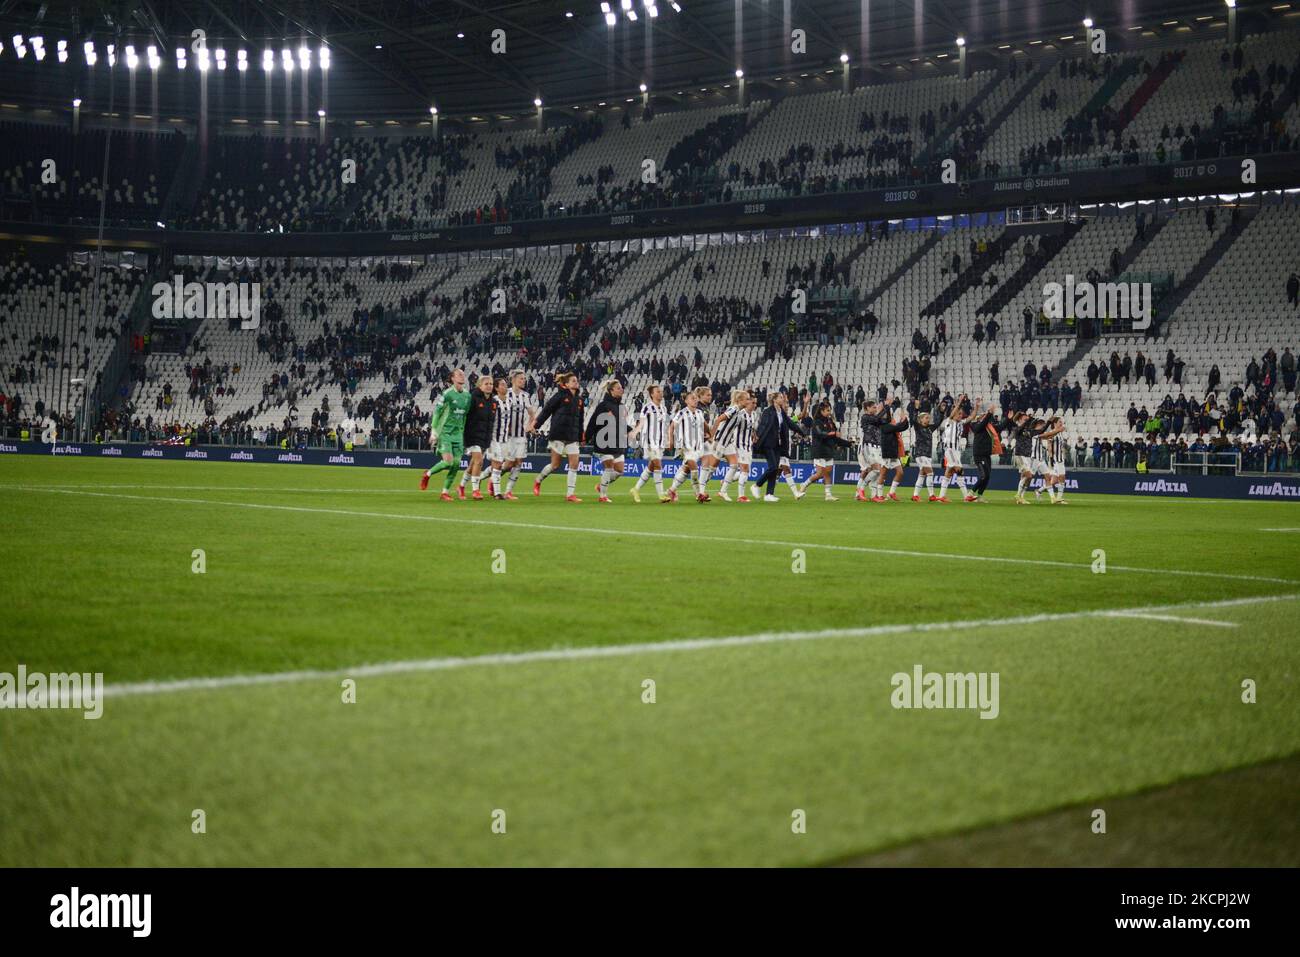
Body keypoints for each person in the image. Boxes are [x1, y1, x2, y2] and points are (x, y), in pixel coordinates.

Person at [532, 372, 585, 502]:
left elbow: (580, 420)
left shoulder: (579, 400)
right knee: (555, 465)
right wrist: (536, 425)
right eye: (573, 381)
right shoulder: (559, 396)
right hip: (558, 434)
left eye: (576, 380)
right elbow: (546, 411)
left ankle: (570, 494)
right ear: (566, 384)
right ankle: (538, 480)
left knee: (574, 464)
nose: (576, 382)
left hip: (572, 436)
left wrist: (581, 436)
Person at [420, 369, 472, 501]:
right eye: (459, 374)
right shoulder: (447, 394)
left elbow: (465, 416)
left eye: (463, 374)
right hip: (445, 432)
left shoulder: (468, 396)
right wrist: (434, 432)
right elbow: (437, 412)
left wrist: (464, 433)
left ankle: (445, 492)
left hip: (458, 434)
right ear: (453, 378)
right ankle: (428, 473)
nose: (462, 375)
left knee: (456, 464)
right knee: (448, 462)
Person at [586, 378, 636, 504]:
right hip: (604, 441)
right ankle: (602, 496)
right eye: (618, 388)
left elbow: (621, 424)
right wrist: (586, 437)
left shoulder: (621, 406)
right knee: (609, 467)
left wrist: (630, 430)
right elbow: (592, 422)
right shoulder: (603, 405)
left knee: (620, 471)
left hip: (617, 441)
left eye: (621, 387)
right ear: (611, 391)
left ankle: (601, 485)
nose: (622, 389)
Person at [750, 390, 806, 502]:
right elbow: (763, 426)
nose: (783, 399)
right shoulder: (768, 411)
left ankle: (769, 495)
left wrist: (802, 433)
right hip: (767, 443)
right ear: (774, 400)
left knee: (775, 469)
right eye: (780, 397)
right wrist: (758, 437)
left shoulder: (781, 412)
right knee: (773, 467)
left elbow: (790, 423)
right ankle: (756, 485)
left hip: (778, 444)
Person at [490, 369, 536, 501]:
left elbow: (532, 414)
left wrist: (529, 426)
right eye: (521, 378)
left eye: (524, 378)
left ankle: (508, 491)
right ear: (514, 380)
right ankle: (490, 478)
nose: (524, 380)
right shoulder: (506, 393)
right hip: (507, 435)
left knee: (519, 462)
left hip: (520, 435)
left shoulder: (525, 395)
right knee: (508, 463)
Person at [796, 400, 853, 501]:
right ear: (821, 411)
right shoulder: (816, 422)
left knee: (827, 472)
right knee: (820, 474)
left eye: (830, 410)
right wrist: (833, 434)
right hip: (819, 450)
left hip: (829, 450)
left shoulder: (830, 422)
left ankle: (828, 495)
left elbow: (835, 438)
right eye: (827, 410)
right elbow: (821, 434)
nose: (829, 412)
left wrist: (848, 444)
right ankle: (804, 484)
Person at [665, 389, 709, 503]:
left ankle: (672, 490)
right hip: (685, 446)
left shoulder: (699, 413)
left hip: (698, 447)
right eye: (692, 398)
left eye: (695, 398)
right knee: (694, 468)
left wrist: (710, 435)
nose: (695, 400)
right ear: (686, 401)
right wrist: (670, 440)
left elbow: (705, 425)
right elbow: (671, 427)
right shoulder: (681, 413)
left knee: (686, 470)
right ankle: (699, 493)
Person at [458, 373, 496, 500]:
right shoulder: (473, 397)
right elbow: (464, 414)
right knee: (479, 461)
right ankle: (475, 490)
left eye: (491, 384)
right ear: (480, 385)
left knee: (473, 464)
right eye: (486, 384)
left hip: (485, 437)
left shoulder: (492, 401)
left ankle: (462, 486)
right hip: (472, 435)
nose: (489, 386)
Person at [630, 384, 670, 503]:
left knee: (651, 467)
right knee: (658, 465)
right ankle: (661, 495)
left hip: (660, 442)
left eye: (661, 391)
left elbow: (664, 425)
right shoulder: (647, 407)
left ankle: (635, 489)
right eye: (658, 392)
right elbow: (641, 423)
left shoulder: (664, 408)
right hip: (649, 442)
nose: (660, 393)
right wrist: (634, 432)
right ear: (652, 394)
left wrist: (667, 439)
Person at [711, 389, 752, 502]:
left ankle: (723, 491)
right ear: (740, 400)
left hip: (728, 442)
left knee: (734, 466)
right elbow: (719, 419)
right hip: (720, 441)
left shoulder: (740, 411)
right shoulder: (733, 409)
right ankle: (700, 490)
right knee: (710, 469)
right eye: (747, 399)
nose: (749, 401)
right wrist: (711, 436)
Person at [936, 397, 978, 502]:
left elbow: (972, 417)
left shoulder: (960, 423)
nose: (961, 415)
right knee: (959, 470)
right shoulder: (949, 421)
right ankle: (966, 496)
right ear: (954, 414)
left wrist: (977, 406)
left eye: (961, 414)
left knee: (949, 472)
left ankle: (941, 496)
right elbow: (952, 413)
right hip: (950, 449)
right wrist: (959, 403)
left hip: (956, 451)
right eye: (959, 413)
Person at [875, 403, 910, 501]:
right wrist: (904, 418)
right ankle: (879, 495)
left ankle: (891, 493)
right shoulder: (885, 426)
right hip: (886, 453)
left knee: (900, 472)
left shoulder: (888, 425)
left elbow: (900, 426)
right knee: (883, 474)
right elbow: (901, 427)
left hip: (893, 453)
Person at [965, 404, 999, 502]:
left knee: (987, 477)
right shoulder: (975, 425)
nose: (984, 417)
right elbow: (981, 425)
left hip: (987, 455)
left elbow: (999, 427)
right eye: (982, 416)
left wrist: (1009, 420)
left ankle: (979, 496)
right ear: (978, 418)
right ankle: (970, 494)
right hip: (979, 455)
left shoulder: (988, 428)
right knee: (984, 476)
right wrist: (989, 413)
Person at [910, 411, 938, 502]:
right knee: (930, 473)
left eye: (929, 418)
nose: (928, 419)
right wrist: (916, 409)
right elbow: (913, 420)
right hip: (921, 454)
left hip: (928, 455)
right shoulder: (918, 427)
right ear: (921, 419)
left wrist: (941, 412)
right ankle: (931, 495)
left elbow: (938, 422)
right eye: (926, 418)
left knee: (922, 475)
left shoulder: (930, 428)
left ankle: (915, 495)